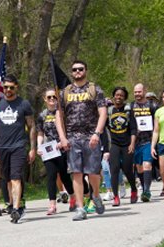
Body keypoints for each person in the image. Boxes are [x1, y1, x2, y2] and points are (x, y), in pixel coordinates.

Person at [56, 60, 107, 221]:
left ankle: (96, 195)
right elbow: (59, 116)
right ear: (71, 73)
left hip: (91, 137)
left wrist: (97, 134)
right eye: (74, 70)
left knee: (92, 172)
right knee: (76, 172)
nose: (77, 72)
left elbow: (103, 112)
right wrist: (62, 137)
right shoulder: (65, 92)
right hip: (72, 138)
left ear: (86, 70)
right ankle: (80, 207)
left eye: (80, 69)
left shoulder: (94, 89)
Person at [0, 74, 36, 223]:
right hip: (3, 147)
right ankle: (13, 205)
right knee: (7, 179)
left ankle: (16, 208)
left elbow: (32, 126)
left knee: (15, 178)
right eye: (5, 87)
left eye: (11, 87)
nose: (8, 90)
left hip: (19, 146)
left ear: (16, 88)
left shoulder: (23, 104)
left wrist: (32, 148)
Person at [37, 88, 76, 215]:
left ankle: (73, 197)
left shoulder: (62, 113)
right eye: (49, 97)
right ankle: (52, 204)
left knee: (64, 176)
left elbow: (70, 130)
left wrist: (63, 142)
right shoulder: (42, 115)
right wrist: (39, 146)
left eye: (54, 97)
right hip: (49, 150)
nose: (52, 99)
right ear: (45, 99)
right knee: (51, 176)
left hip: (62, 148)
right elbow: (40, 133)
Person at [107, 87, 138, 206]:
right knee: (114, 169)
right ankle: (115, 196)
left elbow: (134, 129)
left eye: (121, 95)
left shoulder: (128, 111)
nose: (118, 97)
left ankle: (134, 189)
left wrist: (132, 143)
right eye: (116, 95)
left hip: (127, 144)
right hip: (114, 144)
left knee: (127, 169)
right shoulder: (109, 111)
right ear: (113, 96)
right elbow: (104, 128)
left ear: (124, 97)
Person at [132, 83, 157, 202]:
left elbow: (157, 122)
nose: (137, 94)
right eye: (135, 92)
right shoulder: (130, 106)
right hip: (135, 142)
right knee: (140, 168)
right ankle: (143, 188)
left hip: (148, 140)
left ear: (144, 91)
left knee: (147, 164)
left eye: (139, 92)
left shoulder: (152, 105)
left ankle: (147, 190)